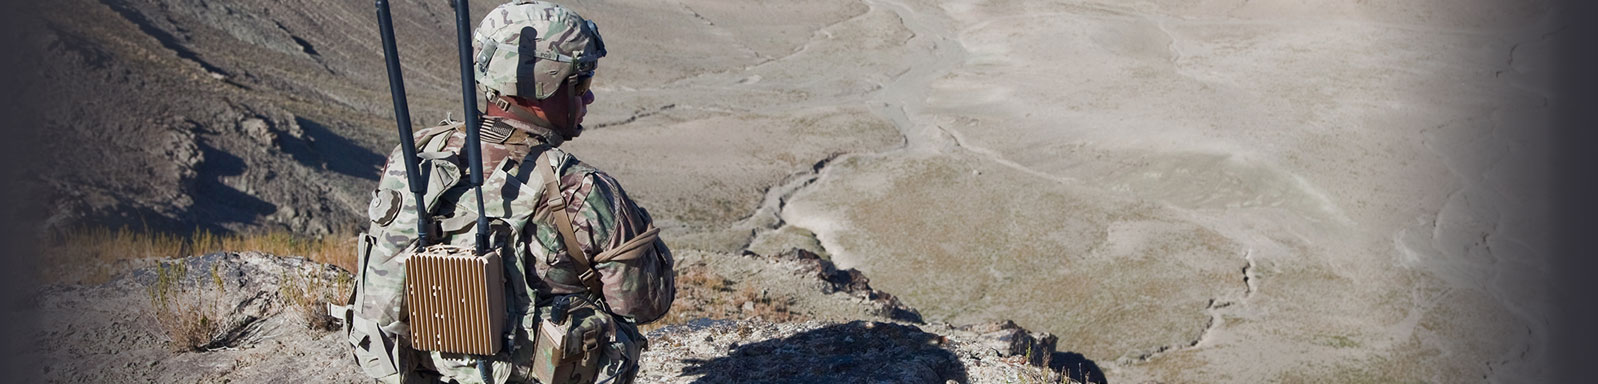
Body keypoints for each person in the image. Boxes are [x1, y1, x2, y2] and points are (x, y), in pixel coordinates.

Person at [343, 1, 674, 383]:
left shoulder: (414, 155)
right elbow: (645, 301)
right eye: (580, 83)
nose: (588, 98)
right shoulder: (577, 187)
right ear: (544, 83)